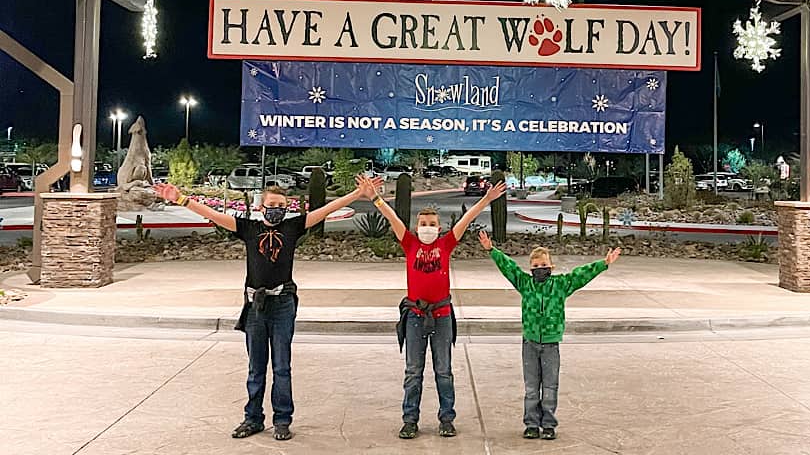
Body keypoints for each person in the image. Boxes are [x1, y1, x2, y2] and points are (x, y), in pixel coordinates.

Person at [154, 174, 382, 442]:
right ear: (261, 207)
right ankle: (253, 418)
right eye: (272, 204)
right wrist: (180, 199)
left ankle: (282, 420)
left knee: (282, 366)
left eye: (282, 205)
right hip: (256, 306)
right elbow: (214, 215)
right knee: (256, 366)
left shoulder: (292, 228)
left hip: (283, 303)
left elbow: (324, 211)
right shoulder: (248, 229)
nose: (277, 209)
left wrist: (357, 195)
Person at [373, 179, 507, 439]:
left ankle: (447, 418)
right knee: (413, 371)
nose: (427, 228)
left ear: (440, 227)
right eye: (423, 224)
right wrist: (375, 198)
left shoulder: (445, 245)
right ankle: (410, 420)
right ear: (416, 227)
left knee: (443, 371)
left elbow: (466, 219)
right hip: (414, 317)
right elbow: (391, 216)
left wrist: (486, 200)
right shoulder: (409, 244)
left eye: (432, 224)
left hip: (442, 317)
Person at [479, 231, 621, 440]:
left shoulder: (560, 285)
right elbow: (509, 268)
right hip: (529, 343)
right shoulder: (525, 284)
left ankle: (548, 424)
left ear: (551, 267)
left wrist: (603, 263)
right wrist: (492, 250)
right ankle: (531, 424)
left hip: (551, 344)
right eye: (535, 266)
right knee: (531, 387)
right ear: (530, 269)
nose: (539, 269)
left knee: (550, 386)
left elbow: (580, 275)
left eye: (543, 265)